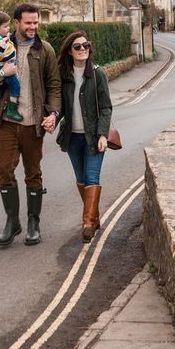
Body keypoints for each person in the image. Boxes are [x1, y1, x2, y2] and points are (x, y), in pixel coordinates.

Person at [0, 3, 61, 247]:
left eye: (36, 22)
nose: (33, 27)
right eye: (28, 23)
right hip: (7, 120)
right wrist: (1, 75)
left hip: (33, 123)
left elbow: (54, 85)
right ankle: (12, 222)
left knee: (33, 173)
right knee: (4, 169)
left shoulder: (45, 49)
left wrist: (54, 113)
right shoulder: (2, 45)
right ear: (16, 23)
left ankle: (33, 223)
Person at [56, 30, 112, 243]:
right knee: (81, 180)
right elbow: (60, 106)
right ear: (70, 51)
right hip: (72, 138)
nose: (83, 50)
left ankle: (88, 223)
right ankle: (94, 217)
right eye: (77, 46)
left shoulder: (98, 73)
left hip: (93, 137)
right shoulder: (64, 75)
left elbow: (106, 107)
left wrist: (102, 134)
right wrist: (52, 117)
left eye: (85, 45)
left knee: (92, 177)